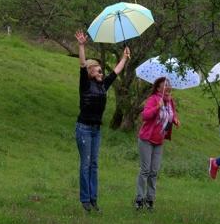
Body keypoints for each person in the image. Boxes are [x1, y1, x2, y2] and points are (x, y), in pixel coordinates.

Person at [74, 30, 130, 212]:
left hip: (96, 130)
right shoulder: (85, 84)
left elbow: (115, 72)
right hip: (83, 128)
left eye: (101, 69)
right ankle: (85, 200)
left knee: (94, 164)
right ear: (90, 72)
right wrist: (81, 45)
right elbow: (82, 64)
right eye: (98, 69)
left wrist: (125, 58)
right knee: (86, 163)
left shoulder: (102, 85)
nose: (101, 71)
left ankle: (93, 199)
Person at [135, 77, 181, 210]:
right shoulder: (154, 99)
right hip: (146, 139)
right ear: (158, 88)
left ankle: (150, 200)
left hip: (159, 141)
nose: (168, 87)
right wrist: (157, 107)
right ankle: (139, 199)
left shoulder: (170, 101)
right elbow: (145, 116)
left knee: (154, 171)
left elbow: (171, 116)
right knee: (145, 170)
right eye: (165, 85)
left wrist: (176, 120)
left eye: (169, 85)